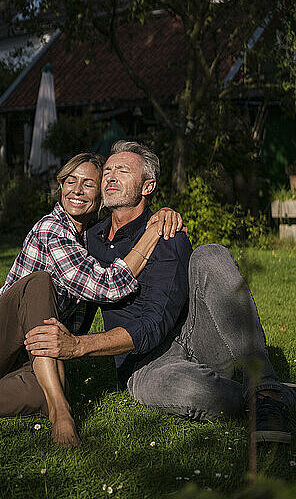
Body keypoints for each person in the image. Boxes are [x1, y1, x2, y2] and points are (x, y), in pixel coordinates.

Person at [0, 152, 183, 448]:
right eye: (70, 182)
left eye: (88, 184)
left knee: (39, 393)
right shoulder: (51, 229)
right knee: (38, 283)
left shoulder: (91, 241)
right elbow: (108, 286)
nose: (77, 190)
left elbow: (110, 267)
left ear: (100, 196)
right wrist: (151, 235)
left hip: (28, 357)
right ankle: (61, 411)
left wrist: (161, 214)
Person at [26, 140, 296, 444]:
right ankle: (275, 397)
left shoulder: (168, 234)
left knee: (211, 254)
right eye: (109, 171)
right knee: (188, 391)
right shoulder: (89, 239)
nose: (110, 177)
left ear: (147, 186)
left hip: (192, 338)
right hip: (146, 366)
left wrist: (78, 346)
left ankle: (266, 389)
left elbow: (154, 325)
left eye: (123, 171)